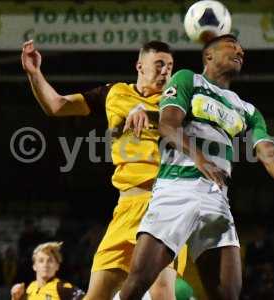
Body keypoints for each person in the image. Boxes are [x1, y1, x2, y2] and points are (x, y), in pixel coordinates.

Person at [118, 34, 274, 300]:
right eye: (232, 46)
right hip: (176, 190)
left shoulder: (247, 110)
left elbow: (268, 152)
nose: (240, 51)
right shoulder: (188, 79)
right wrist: (199, 158)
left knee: (228, 294)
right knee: (138, 283)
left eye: (242, 49)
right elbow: (168, 124)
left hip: (216, 199)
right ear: (208, 55)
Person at [21, 40, 185, 300]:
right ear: (139, 66)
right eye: (159, 64)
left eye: (170, 66)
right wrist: (34, 74)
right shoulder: (114, 94)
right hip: (127, 208)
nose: (166, 71)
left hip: (165, 206)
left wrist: (148, 113)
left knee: (163, 291)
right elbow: (57, 105)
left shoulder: (176, 101)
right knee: (97, 294)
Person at [11, 241, 85, 300]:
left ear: (57, 266)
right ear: (34, 266)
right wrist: (15, 298)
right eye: (41, 261)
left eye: (50, 261)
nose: (45, 264)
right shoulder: (30, 287)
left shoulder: (62, 287)